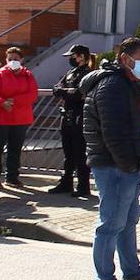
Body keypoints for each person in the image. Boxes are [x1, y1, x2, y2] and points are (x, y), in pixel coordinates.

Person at [81, 37, 140, 280]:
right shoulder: (112, 86)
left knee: (127, 221)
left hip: (124, 165)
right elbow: (113, 133)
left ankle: (132, 274)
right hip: (113, 166)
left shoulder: (126, 84)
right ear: (125, 58)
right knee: (111, 223)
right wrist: (129, 165)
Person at [0, 46, 39, 189]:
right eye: (10, 59)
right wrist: (2, 103)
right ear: (6, 60)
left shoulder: (28, 76)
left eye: (16, 59)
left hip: (20, 118)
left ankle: (12, 177)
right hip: (0, 117)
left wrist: (13, 101)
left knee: (15, 149)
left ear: (22, 60)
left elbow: (32, 95)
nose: (13, 61)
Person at [48, 44, 93, 198]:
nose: (71, 59)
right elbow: (56, 89)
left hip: (80, 116)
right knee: (68, 152)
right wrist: (67, 91)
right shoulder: (71, 72)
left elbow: (79, 93)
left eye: (73, 56)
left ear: (81, 56)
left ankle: (83, 186)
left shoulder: (88, 74)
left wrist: (67, 92)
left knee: (80, 152)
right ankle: (66, 182)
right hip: (67, 115)